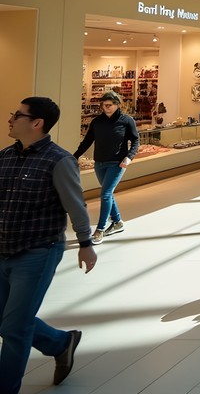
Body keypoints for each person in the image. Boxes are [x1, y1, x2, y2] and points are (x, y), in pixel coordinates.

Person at [2, 97, 96, 392]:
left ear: (36, 123)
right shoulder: (4, 157)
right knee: (7, 319)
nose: (10, 119)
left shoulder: (59, 160)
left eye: (17, 115)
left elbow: (75, 205)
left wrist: (85, 243)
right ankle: (60, 343)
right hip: (4, 249)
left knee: (15, 328)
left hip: (38, 252)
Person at [73, 90, 140, 244]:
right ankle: (118, 223)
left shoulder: (127, 121)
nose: (106, 108)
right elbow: (87, 141)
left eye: (109, 105)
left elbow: (136, 141)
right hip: (99, 163)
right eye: (104, 105)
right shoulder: (97, 122)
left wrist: (129, 158)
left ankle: (100, 229)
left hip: (117, 163)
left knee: (105, 194)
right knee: (107, 193)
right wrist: (75, 155)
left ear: (117, 104)